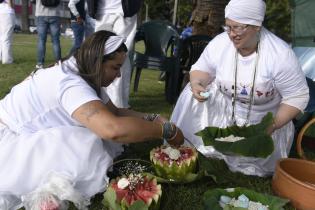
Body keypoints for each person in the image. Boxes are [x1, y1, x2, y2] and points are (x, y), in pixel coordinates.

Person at [0, 30, 184, 209]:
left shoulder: (78, 70)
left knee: (94, 132)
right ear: (97, 62)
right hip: (8, 143)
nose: (118, 75)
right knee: (87, 141)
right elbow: (113, 129)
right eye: (115, 67)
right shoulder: (71, 84)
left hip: (18, 130)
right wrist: (165, 131)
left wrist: (155, 118)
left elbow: (116, 112)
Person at [171, 0, 309, 177]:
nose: (231, 34)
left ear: (257, 26)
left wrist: (271, 125)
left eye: (238, 28)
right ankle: (186, 143)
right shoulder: (220, 43)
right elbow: (201, 69)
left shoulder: (280, 55)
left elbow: (297, 96)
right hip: (226, 111)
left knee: (253, 167)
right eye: (228, 27)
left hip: (265, 120)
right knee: (190, 93)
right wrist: (198, 83)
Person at [93, 0, 141, 108]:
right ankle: (101, 99)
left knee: (121, 57)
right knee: (98, 57)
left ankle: (119, 103)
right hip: (100, 10)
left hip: (125, 10)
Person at [34, 0, 62, 69]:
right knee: (56, 41)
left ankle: (40, 63)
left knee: (41, 40)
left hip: (41, 13)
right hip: (55, 14)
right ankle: (58, 63)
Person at [0, 0, 15, 64]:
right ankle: (7, 60)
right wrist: (12, 7)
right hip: (7, 12)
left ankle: (1, 57)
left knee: (1, 37)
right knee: (6, 37)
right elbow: (10, 2)